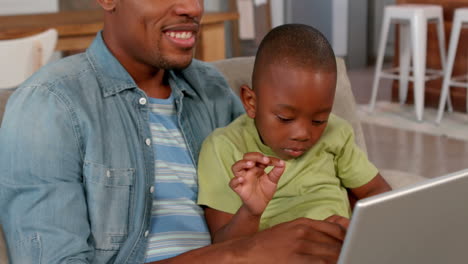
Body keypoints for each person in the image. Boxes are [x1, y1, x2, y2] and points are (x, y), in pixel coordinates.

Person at [0, 1, 349, 264]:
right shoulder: (51, 105)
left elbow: (284, 189)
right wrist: (240, 255)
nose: (193, 7)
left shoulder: (211, 90)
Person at [197, 24, 392, 243]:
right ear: (251, 102)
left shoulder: (337, 132)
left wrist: (357, 230)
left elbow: (377, 191)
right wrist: (251, 212)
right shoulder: (222, 148)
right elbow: (224, 247)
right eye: (286, 118)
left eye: (319, 120)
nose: (303, 134)